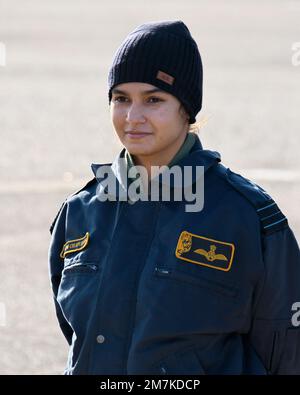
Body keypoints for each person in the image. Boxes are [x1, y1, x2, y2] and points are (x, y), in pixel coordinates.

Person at [48, 20, 300, 375]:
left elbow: (284, 352)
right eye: (121, 99)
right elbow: (78, 335)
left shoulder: (248, 218)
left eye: (153, 99)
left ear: (187, 109)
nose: (133, 117)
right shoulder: (79, 213)